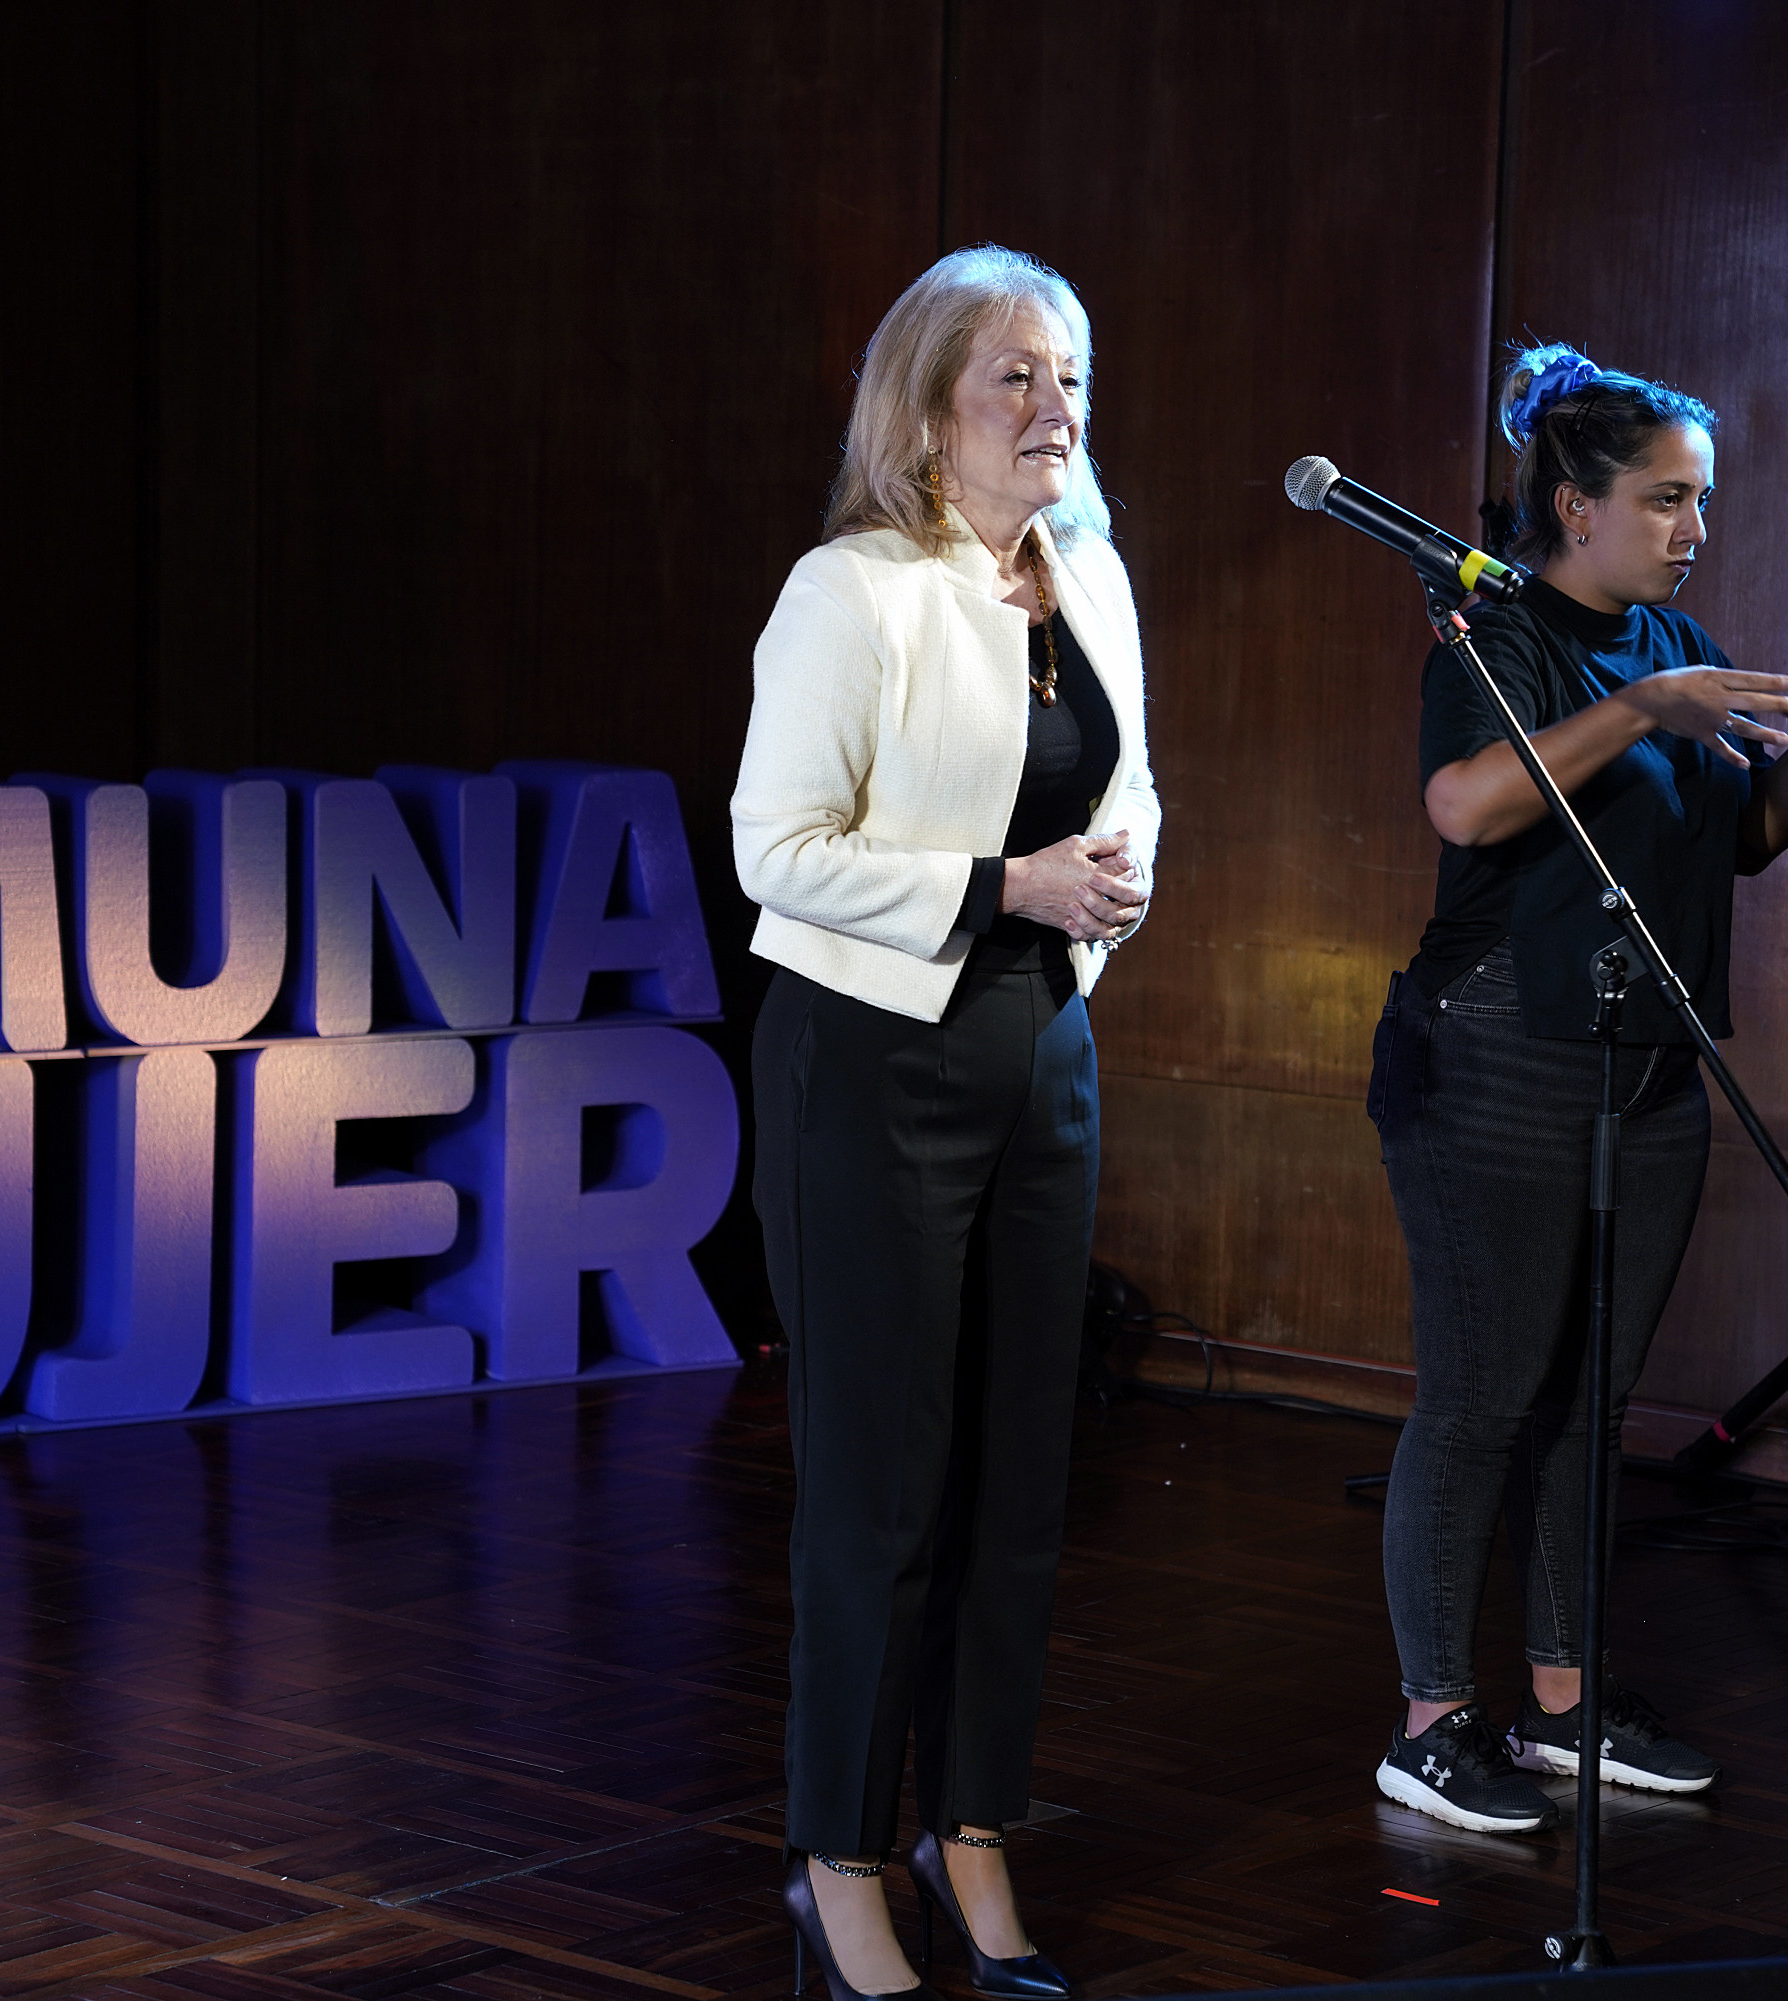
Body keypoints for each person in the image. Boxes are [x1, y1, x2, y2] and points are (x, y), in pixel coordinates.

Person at [1367, 344, 1788, 1835]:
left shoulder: (1675, 642)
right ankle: (1430, 1725)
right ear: (1575, 505)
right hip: (1497, 1058)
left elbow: (1735, 843)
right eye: (1667, 499)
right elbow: (1467, 804)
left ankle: (1563, 1703)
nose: (1693, 529)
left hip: (1649, 1067)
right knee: (1482, 1397)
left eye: (1701, 501)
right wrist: (1645, 708)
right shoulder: (1498, 635)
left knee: (1589, 1404)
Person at [733, 246, 1160, 2001]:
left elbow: (1133, 795)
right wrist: (1004, 886)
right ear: (926, 413)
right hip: (871, 1058)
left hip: (1042, 1049)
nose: (1056, 410)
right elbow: (776, 849)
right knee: (882, 1489)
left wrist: (1111, 894)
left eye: (1071, 378)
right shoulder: (850, 590)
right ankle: (837, 1858)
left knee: (1018, 1482)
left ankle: (968, 1828)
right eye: (1016, 378)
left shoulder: (1090, 576)